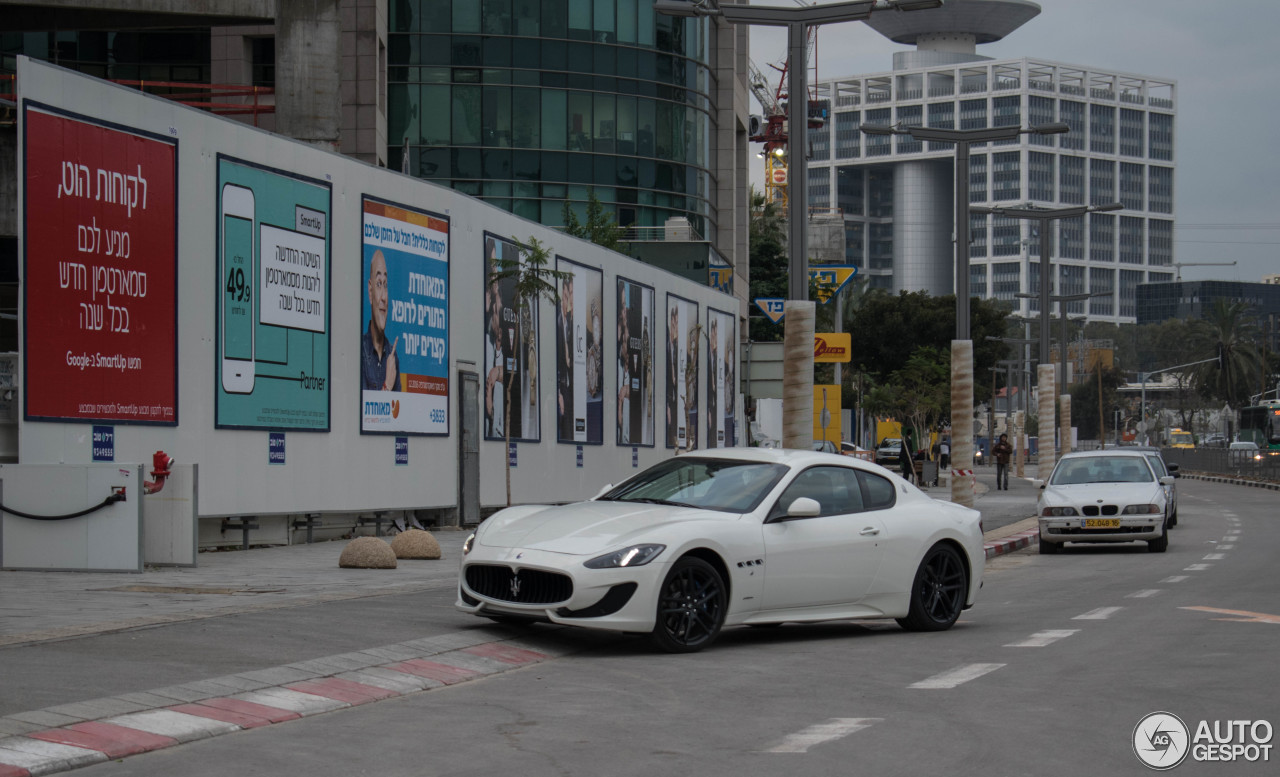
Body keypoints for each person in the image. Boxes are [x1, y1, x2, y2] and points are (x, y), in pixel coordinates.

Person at [361, 250, 400, 392]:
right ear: (370, 292)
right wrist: (387, 386)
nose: (384, 297)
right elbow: (363, 413)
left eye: (385, 284)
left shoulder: (392, 356)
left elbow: (399, 413)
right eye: (378, 284)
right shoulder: (360, 351)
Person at [556, 274, 575, 441]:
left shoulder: (570, 322)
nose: (569, 299)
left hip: (569, 390)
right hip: (561, 389)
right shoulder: (557, 321)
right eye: (568, 293)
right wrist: (558, 392)